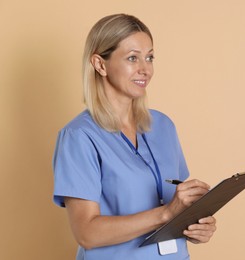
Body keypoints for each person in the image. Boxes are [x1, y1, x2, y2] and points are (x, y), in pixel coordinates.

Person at [52, 13, 216, 260]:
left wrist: (197, 225)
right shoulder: (79, 136)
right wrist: (166, 214)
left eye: (150, 57)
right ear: (100, 64)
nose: (145, 69)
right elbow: (86, 233)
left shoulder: (163, 126)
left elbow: (177, 205)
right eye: (132, 58)